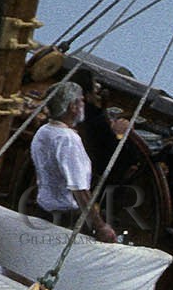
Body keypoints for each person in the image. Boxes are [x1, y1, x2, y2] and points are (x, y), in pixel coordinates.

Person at [29, 80, 117, 243]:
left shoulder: (43, 131)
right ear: (73, 107)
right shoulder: (68, 140)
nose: (84, 105)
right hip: (65, 219)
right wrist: (100, 227)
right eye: (81, 101)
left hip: (42, 209)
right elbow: (80, 190)